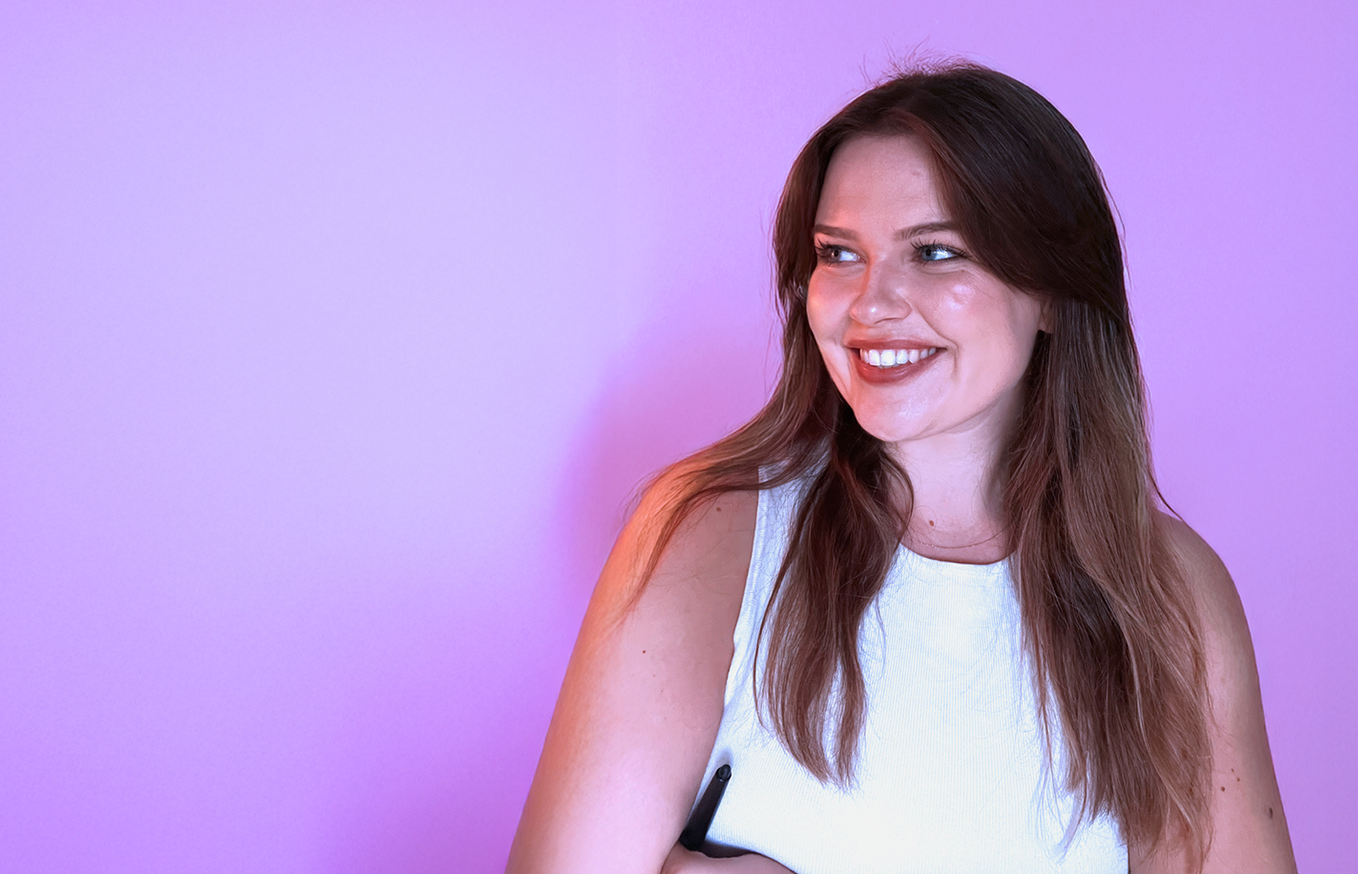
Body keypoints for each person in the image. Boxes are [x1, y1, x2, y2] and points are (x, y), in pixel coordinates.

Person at [506, 63, 1296, 874]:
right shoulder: (711, 539)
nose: (871, 303)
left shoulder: (1172, 595)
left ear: (1055, 294)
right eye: (839, 253)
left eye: (934, 251)